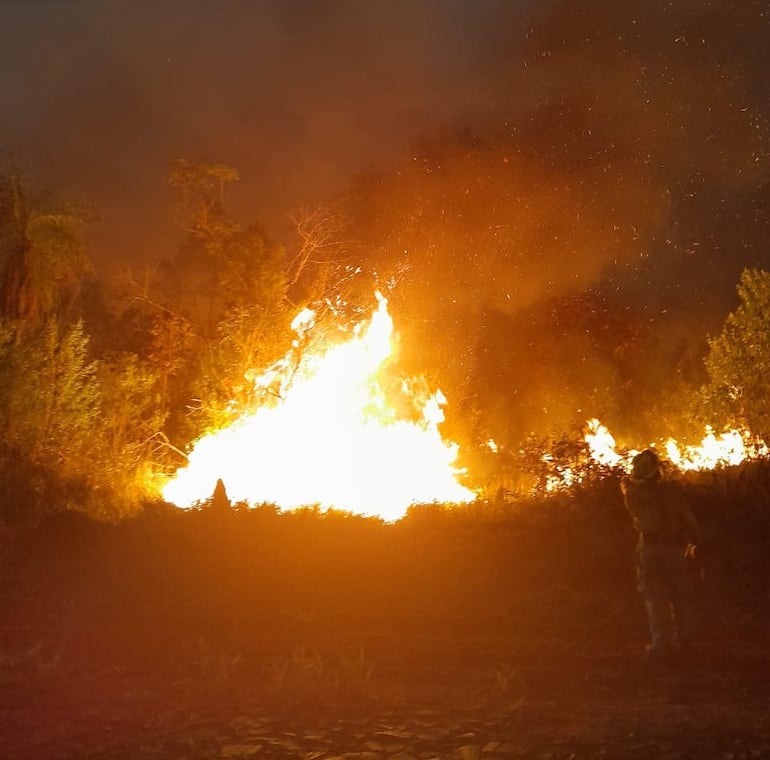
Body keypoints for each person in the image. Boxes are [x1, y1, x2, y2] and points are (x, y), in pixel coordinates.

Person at [621, 448, 698, 658]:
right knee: (680, 596)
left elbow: (633, 501)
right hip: (674, 549)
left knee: (654, 597)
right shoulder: (674, 491)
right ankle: (686, 642)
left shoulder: (634, 494)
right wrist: (691, 543)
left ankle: (661, 645)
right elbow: (690, 521)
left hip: (650, 549)